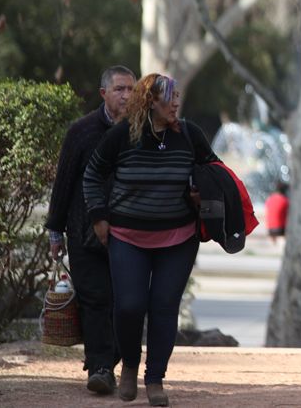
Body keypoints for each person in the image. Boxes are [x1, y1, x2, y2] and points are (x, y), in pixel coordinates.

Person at [84, 73, 216, 407]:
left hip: (178, 237)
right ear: (149, 101)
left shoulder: (189, 134)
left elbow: (213, 170)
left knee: (164, 307)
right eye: (168, 97)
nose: (175, 103)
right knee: (129, 306)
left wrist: (204, 195)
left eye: (177, 96)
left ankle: (155, 377)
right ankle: (128, 365)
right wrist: (99, 217)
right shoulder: (121, 136)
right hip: (127, 236)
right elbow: (93, 175)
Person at [44, 65, 135, 396]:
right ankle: (99, 367)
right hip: (83, 232)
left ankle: (114, 360)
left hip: (129, 236)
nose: (126, 95)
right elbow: (64, 184)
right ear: (104, 94)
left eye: (131, 90)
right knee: (95, 299)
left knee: (125, 301)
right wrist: (55, 233)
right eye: (120, 89)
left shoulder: (141, 133)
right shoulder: (81, 131)